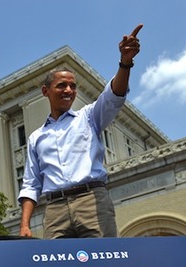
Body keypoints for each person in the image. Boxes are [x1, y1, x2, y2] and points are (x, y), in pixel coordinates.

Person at [18, 24, 143, 239]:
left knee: (105, 261)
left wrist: (125, 62)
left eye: (73, 86)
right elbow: (31, 183)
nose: (69, 90)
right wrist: (25, 225)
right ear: (46, 91)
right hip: (54, 209)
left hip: (92, 200)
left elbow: (114, 96)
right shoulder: (36, 138)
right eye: (61, 86)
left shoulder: (89, 117)